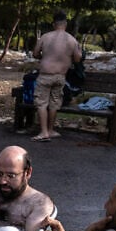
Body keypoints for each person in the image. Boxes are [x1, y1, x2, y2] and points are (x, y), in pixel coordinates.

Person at [31, 11, 82, 142]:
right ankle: (51, 129)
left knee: (41, 103)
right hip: (60, 77)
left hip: (45, 76)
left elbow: (35, 53)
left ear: (54, 24)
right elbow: (77, 59)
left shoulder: (45, 37)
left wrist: (46, 56)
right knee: (54, 104)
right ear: (65, 24)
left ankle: (43, 132)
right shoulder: (72, 40)